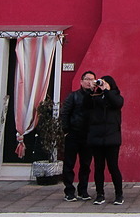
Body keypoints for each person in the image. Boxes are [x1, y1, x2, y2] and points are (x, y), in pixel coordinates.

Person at [86, 74, 125, 205]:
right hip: (96, 138)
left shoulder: (115, 96)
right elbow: (86, 106)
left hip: (112, 138)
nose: (101, 85)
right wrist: (91, 90)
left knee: (113, 167)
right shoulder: (95, 98)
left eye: (104, 83)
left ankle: (119, 194)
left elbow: (117, 103)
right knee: (98, 167)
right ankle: (99, 194)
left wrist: (107, 91)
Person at [59, 70, 96, 202]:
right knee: (69, 164)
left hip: (88, 136)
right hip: (73, 134)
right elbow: (65, 113)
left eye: (92, 79)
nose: (89, 81)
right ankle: (69, 191)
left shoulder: (95, 97)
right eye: (87, 79)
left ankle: (83, 191)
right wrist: (66, 130)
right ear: (81, 81)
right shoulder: (73, 96)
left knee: (85, 165)